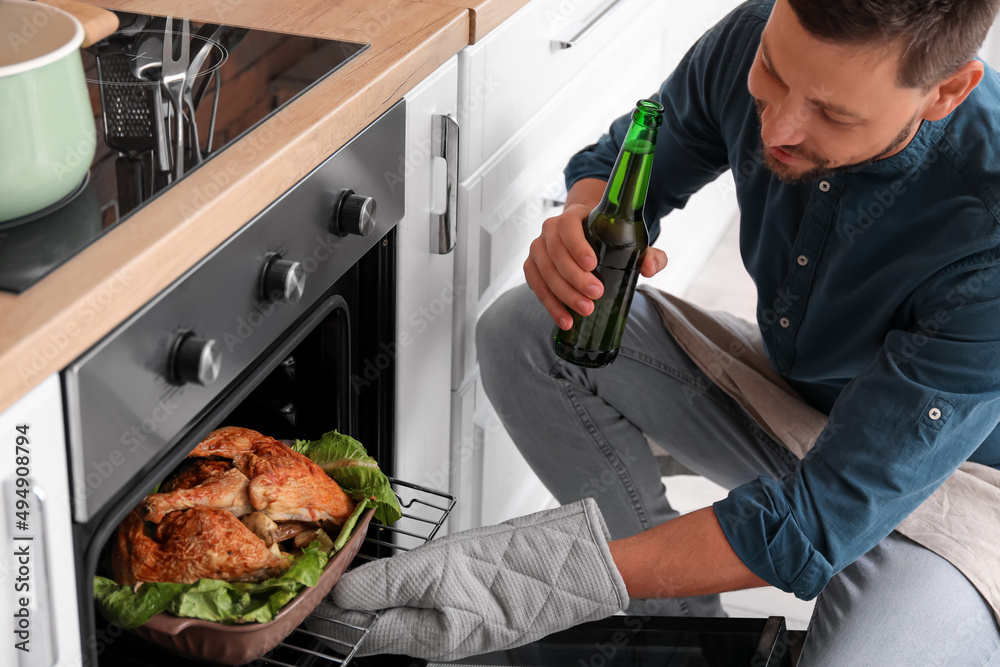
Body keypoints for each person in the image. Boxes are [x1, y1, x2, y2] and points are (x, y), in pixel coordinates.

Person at [318, 1, 1000, 664]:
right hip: (797, 401)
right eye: (774, 73)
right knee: (527, 328)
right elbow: (625, 163)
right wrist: (583, 226)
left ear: (946, 91)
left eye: (830, 112)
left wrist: (529, 578)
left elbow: (816, 520)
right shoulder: (752, 35)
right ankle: (688, 636)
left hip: (969, 492)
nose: (779, 127)